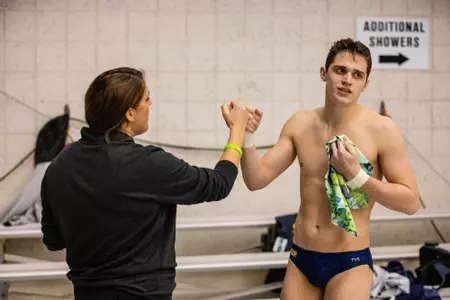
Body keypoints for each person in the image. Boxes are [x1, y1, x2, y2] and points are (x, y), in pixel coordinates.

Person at [225, 38, 420, 299]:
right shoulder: (300, 124)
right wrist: (247, 137)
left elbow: (410, 203)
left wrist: (357, 176)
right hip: (301, 258)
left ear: (365, 84)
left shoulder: (382, 129)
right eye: (340, 70)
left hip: (349, 261)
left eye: (357, 75)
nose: (347, 80)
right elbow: (256, 179)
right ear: (323, 73)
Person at [40, 67, 251, 300]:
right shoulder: (147, 163)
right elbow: (219, 183)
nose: (150, 104)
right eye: (147, 98)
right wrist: (237, 131)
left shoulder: (58, 166)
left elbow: (53, 241)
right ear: (130, 113)